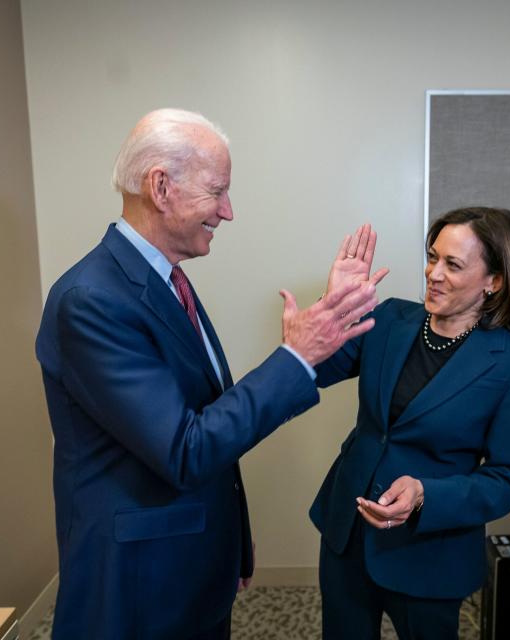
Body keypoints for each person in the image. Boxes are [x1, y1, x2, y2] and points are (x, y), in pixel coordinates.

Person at [35, 109, 385, 640]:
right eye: (217, 191)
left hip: (190, 562)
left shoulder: (165, 278)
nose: (228, 211)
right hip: (137, 585)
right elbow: (186, 449)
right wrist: (295, 357)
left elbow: (202, 415)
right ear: (161, 187)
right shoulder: (93, 300)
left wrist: (231, 543)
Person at [310, 206, 510, 639]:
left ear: (494, 281)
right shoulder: (388, 321)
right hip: (348, 533)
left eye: (452, 264)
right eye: (433, 257)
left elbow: (508, 478)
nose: (433, 273)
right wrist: (333, 308)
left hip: (429, 552)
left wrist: (426, 495)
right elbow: (316, 373)